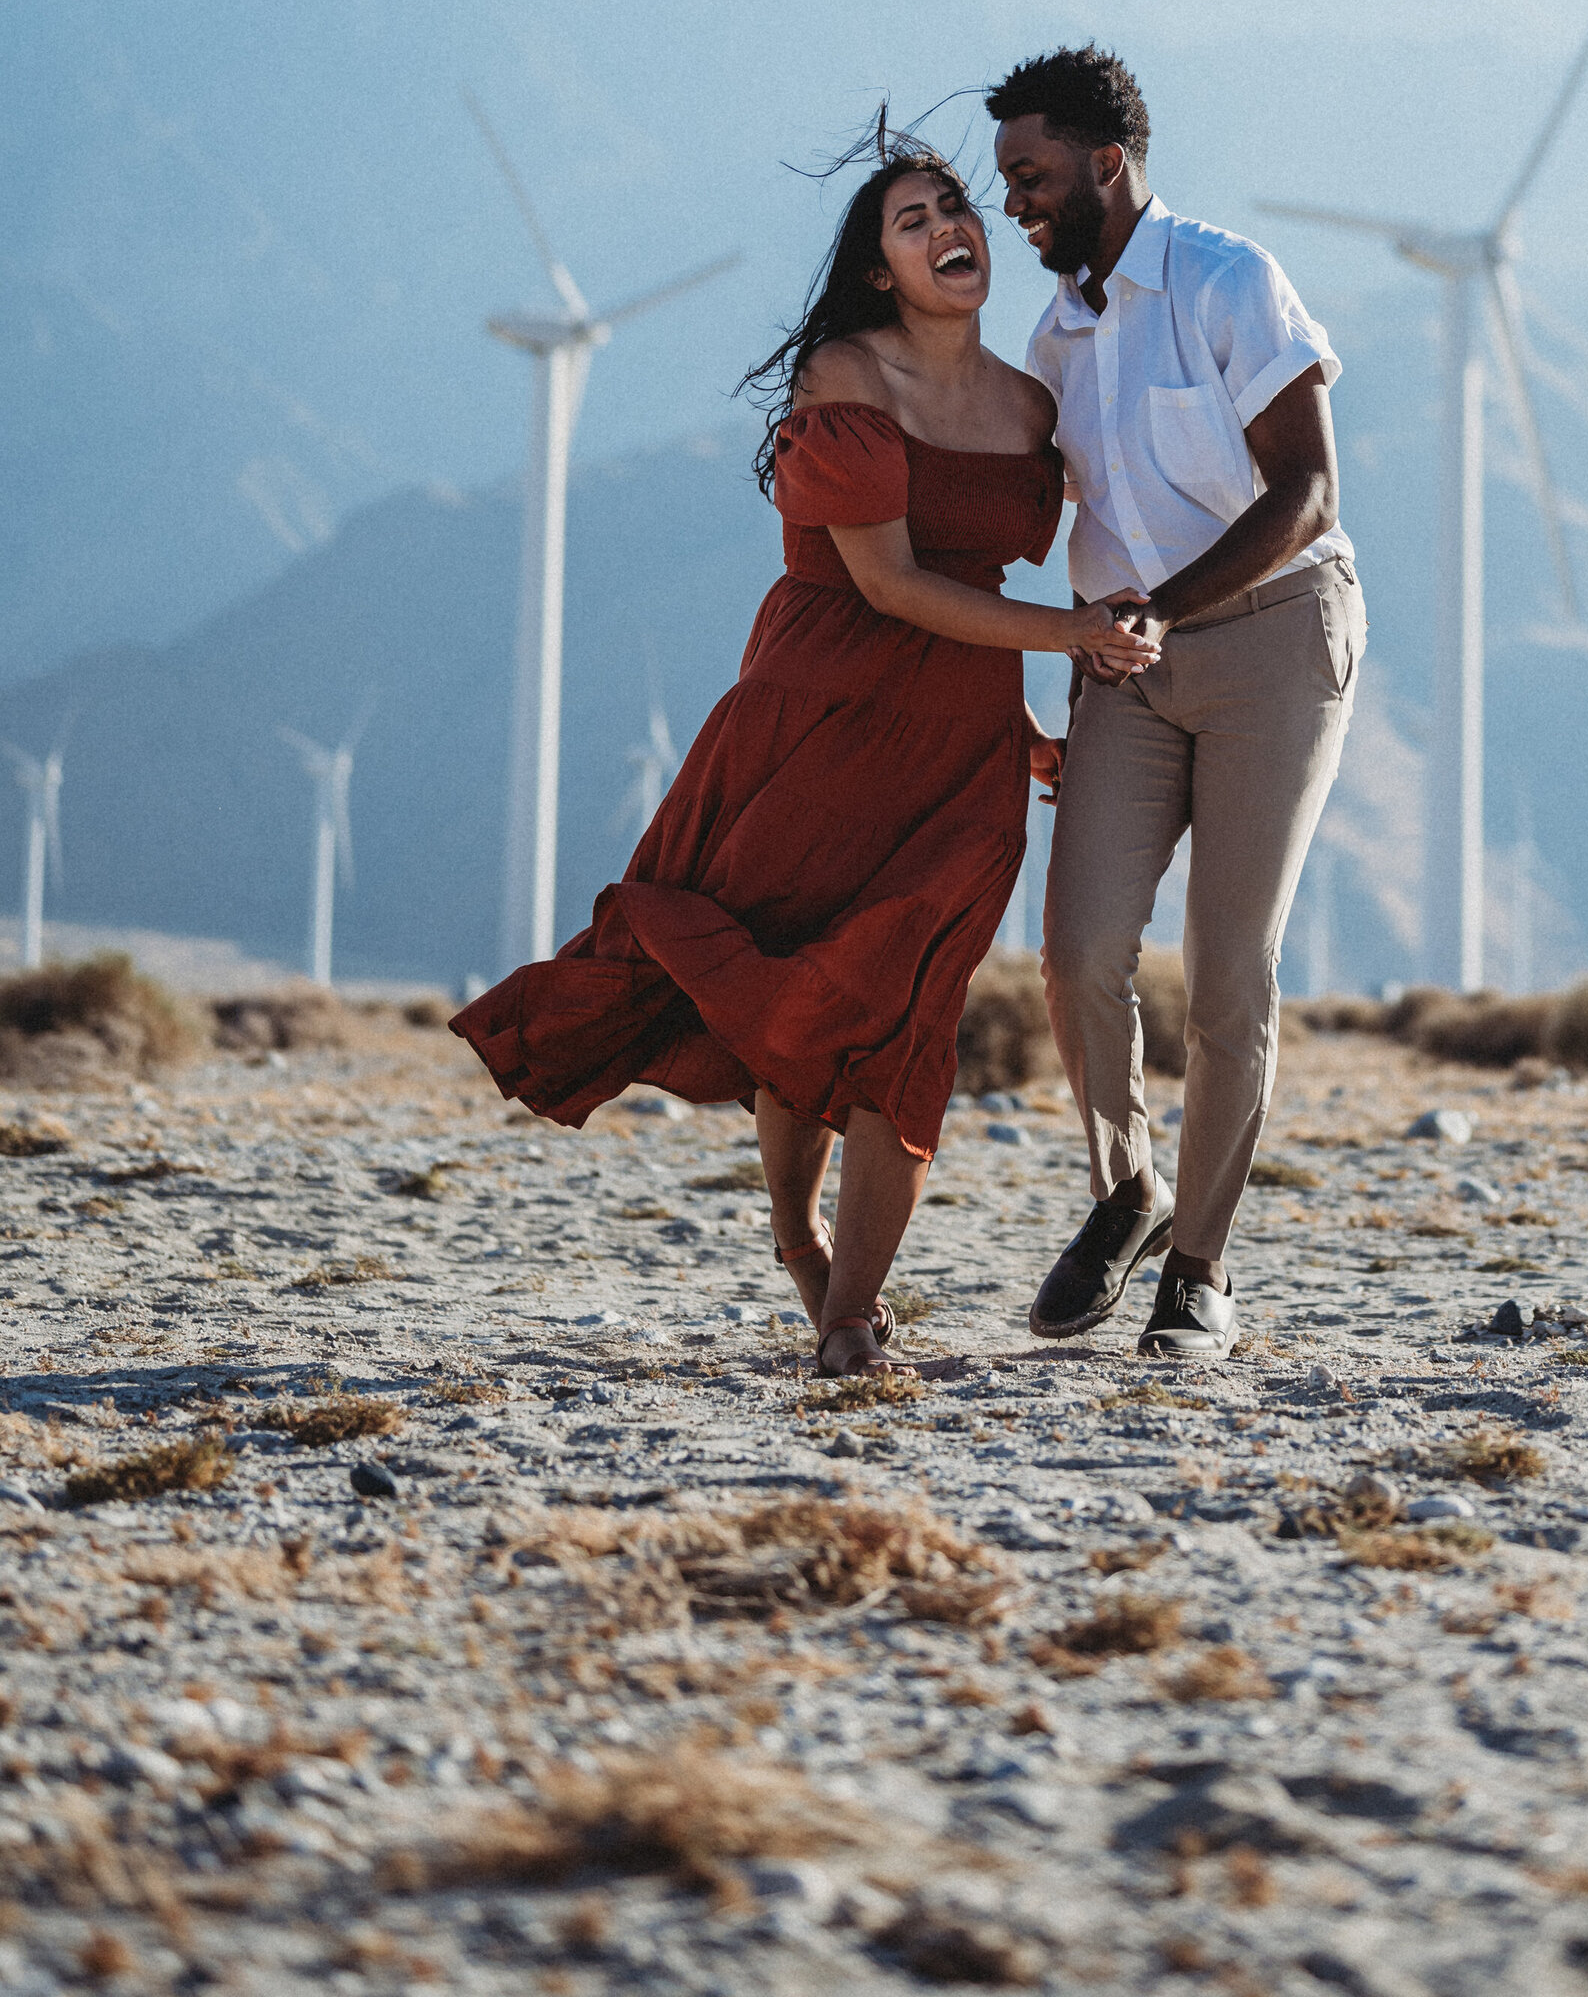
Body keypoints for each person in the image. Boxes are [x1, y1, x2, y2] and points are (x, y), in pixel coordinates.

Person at [452, 138, 1155, 1376]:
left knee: (910, 1011)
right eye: (910, 219)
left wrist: (1025, 721)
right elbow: (887, 583)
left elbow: (1001, 579)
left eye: (956, 208)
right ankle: (795, 1233)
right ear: (879, 269)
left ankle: (849, 1317)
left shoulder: (1032, 407)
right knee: (805, 986)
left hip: (962, 755)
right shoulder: (844, 373)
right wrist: (1074, 639)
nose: (950, 227)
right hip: (817, 728)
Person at [987, 46, 1365, 1362]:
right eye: (1003, 183)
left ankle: (1198, 1268)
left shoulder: (1227, 280)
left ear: (1108, 162)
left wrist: (1167, 609)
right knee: (1078, 950)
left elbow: (1305, 491)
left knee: (1228, 975)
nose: (1016, 205)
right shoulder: (1053, 340)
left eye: (1031, 177)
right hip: (1123, 668)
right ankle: (1129, 1192)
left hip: (1272, 637)